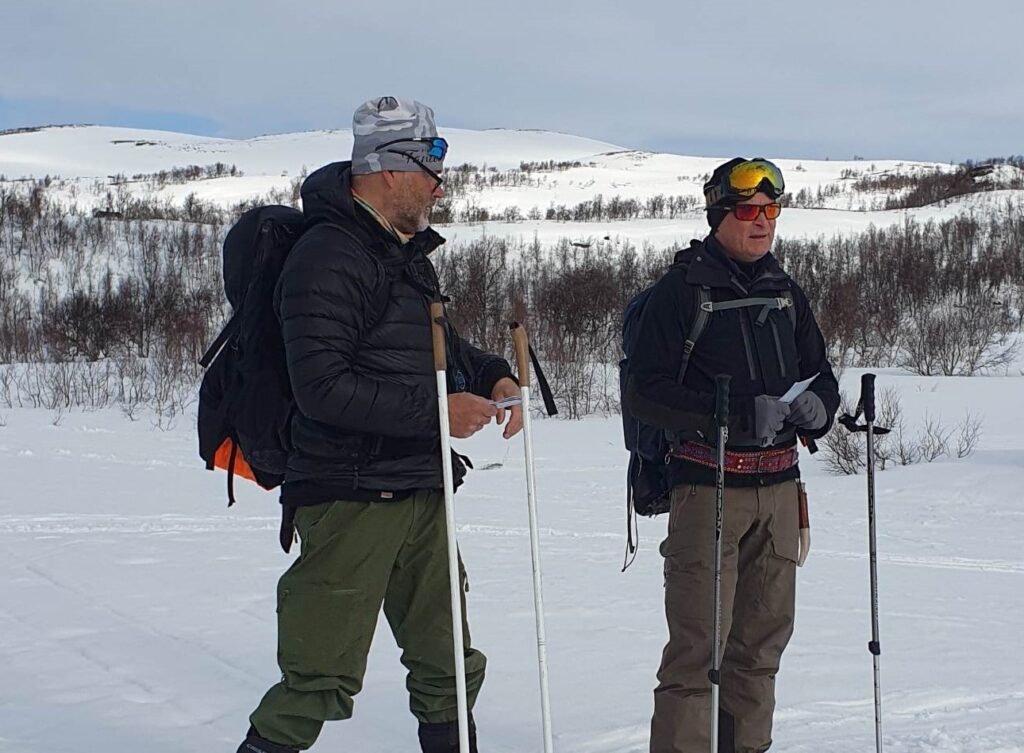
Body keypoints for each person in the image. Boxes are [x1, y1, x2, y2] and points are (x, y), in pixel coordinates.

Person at [236, 97, 522, 753]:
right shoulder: (327, 257)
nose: (438, 183)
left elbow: (442, 346)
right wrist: (439, 411)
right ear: (388, 169)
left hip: (420, 489)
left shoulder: (404, 257)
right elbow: (323, 389)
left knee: (448, 667)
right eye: (429, 166)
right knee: (316, 680)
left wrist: (492, 376)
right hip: (349, 494)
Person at [625, 158, 841, 753]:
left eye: (772, 210)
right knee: (698, 655)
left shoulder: (784, 291)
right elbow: (644, 393)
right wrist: (733, 416)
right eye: (749, 211)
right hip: (706, 491)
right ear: (720, 215)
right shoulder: (681, 292)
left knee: (759, 651)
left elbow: (819, 371)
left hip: (778, 493)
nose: (763, 222)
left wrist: (821, 405)